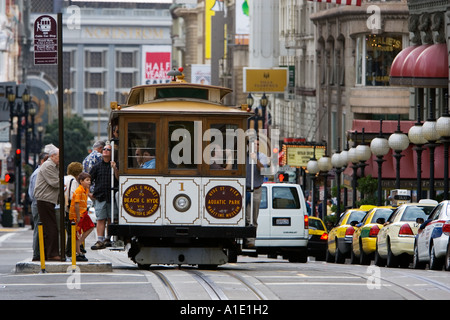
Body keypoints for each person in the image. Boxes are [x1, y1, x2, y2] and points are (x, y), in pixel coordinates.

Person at [89, 143, 118, 250]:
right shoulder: (97, 166)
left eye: (108, 150)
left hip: (111, 196)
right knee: (101, 219)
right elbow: (88, 180)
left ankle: (108, 238)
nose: (105, 151)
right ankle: (100, 240)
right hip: (100, 196)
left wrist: (115, 168)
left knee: (111, 218)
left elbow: (118, 179)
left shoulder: (115, 165)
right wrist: (89, 193)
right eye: (104, 149)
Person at [34, 145, 60, 261]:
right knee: (51, 228)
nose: (60, 159)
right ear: (52, 156)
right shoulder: (48, 165)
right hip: (45, 200)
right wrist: (65, 182)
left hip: (48, 200)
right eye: (59, 156)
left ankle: (48, 253)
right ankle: (51, 254)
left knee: (50, 227)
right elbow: (55, 182)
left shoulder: (54, 166)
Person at [245, 139, 268, 247]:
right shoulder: (243, 156)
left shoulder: (262, 157)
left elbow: (263, 170)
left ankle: (251, 240)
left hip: (256, 189)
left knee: (253, 216)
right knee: (244, 215)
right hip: (244, 189)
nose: (256, 146)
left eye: (258, 145)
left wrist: (255, 160)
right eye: (254, 144)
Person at [28, 152, 49, 261]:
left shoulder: (42, 172)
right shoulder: (38, 173)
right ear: (42, 161)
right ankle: (37, 253)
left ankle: (40, 252)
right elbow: (35, 193)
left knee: (41, 227)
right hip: (38, 203)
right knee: (39, 227)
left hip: (41, 203)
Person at [69, 172, 95, 261]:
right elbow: (76, 204)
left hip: (84, 212)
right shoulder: (79, 190)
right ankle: (78, 252)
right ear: (81, 181)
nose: (89, 182)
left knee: (91, 227)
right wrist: (77, 217)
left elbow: (88, 196)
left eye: (90, 180)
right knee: (77, 233)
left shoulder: (86, 190)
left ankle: (80, 243)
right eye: (87, 180)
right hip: (77, 214)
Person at [63, 162, 83, 257]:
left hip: (62, 207)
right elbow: (73, 197)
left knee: (66, 231)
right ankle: (70, 251)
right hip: (70, 210)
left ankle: (66, 250)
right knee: (72, 231)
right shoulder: (73, 181)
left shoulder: (64, 178)